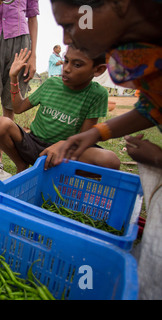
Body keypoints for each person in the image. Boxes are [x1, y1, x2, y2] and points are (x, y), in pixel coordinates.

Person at [50, 0, 161, 300]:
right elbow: (154, 105)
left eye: (71, 25)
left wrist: (158, 158)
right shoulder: (133, 49)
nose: (66, 40)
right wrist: (97, 133)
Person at [0, 46, 121, 173]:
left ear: (98, 70)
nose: (66, 69)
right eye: (66, 61)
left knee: (110, 160)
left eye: (77, 65)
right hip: (34, 145)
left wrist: (63, 145)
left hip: (66, 151)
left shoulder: (97, 94)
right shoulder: (51, 84)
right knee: (0, 124)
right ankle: (21, 165)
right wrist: (13, 78)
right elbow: (18, 108)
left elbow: (84, 136)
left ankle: (62, 173)